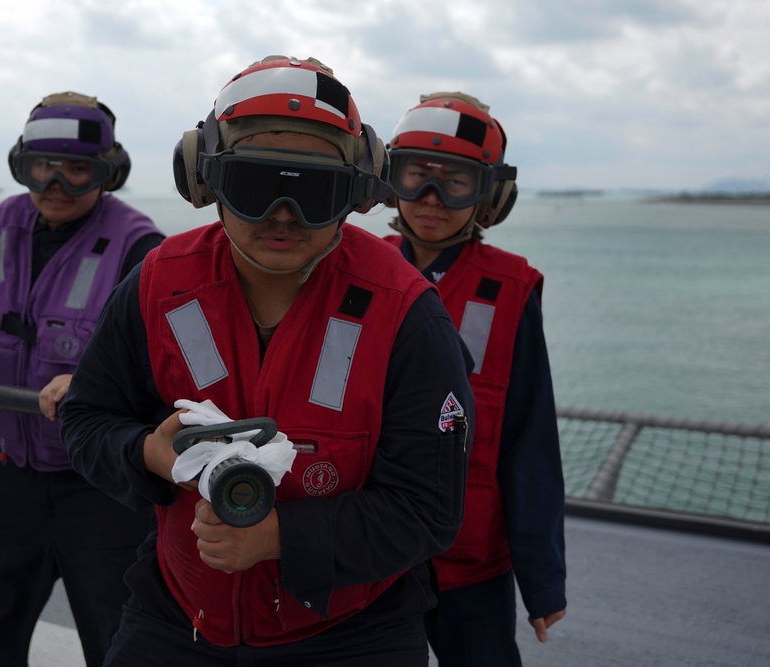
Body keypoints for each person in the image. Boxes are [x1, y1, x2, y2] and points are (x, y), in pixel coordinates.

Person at [59, 55, 475, 667]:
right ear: (207, 180)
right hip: (179, 618)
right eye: (256, 184)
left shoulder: (407, 314)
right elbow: (85, 416)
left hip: (353, 634)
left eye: (314, 190)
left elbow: (428, 509)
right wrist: (148, 452)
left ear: (359, 191)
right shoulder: (158, 284)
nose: (283, 214)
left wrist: (280, 538)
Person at [0, 91, 164, 667]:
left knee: (119, 627)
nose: (56, 183)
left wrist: (91, 382)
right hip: (7, 467)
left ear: (108, 173)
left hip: (100, 483)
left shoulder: (141, 248)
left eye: (78, 170)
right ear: (20, 164)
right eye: (41, 166)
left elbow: (160, 358)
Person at [382, 91, 567, 665]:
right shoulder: (358, 266)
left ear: (491, 192)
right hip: (375, 546)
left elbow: (529, 440)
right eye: (416, 176)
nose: (430, 199)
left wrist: (542, 580)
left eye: (455, 182)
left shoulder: (512, 288)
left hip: (472, 557)